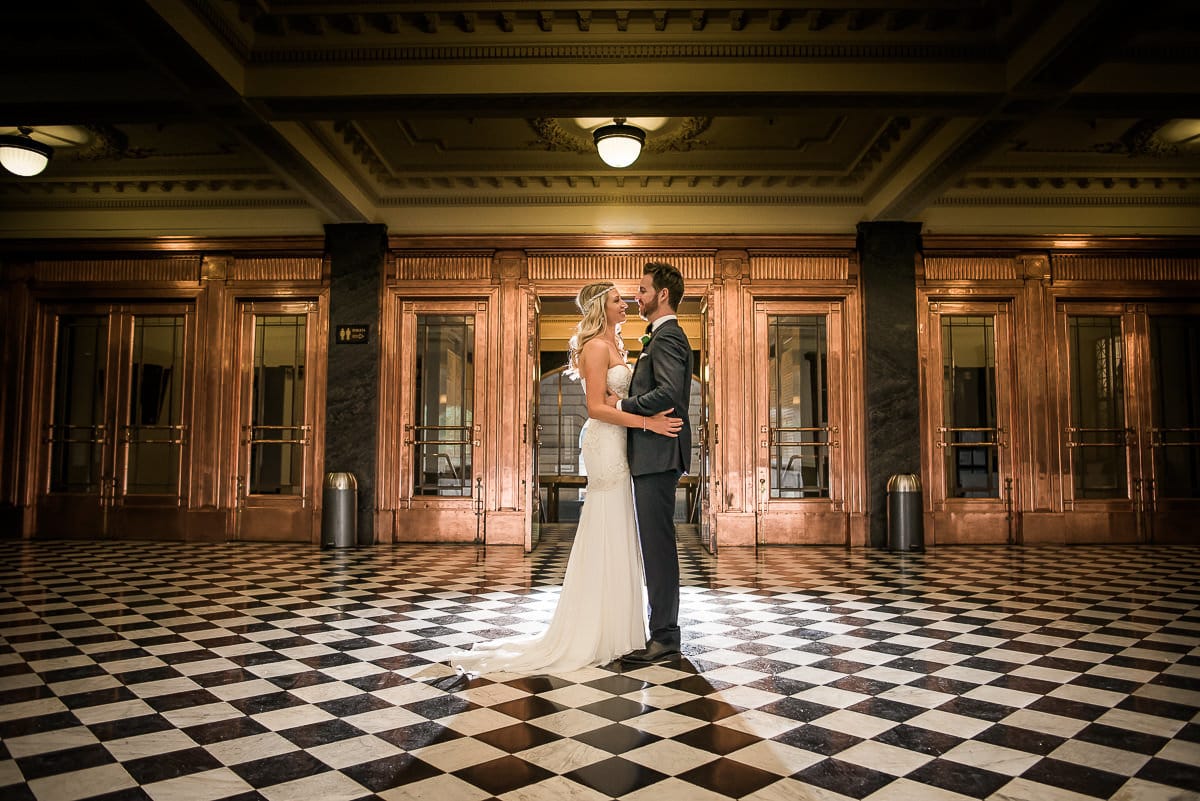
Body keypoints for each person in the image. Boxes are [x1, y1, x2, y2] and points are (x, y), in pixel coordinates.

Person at [449, 282, 682, 675]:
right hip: (606, 444)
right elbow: (594, 408)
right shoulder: (595, 346)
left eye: (627, 297)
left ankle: (620, 629)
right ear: (599, 308)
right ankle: (596, 631)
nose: (625, 303)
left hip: (621, 444)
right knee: (607, 526)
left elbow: (614, 398)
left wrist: (630, 413)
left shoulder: (618, 346)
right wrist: (646, 422)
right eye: (615, 300)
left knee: (620, 529)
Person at [610, 262, 692, 665]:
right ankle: (662, 629)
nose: (635, 297)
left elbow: (669, 392)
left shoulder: (669, 337)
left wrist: (622, 404)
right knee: (654, 544)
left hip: (658, 455)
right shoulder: (660, 338)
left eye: (642, 290)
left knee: (657, 547)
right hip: (653, 454)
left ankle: (665, 636)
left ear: (662, 295)